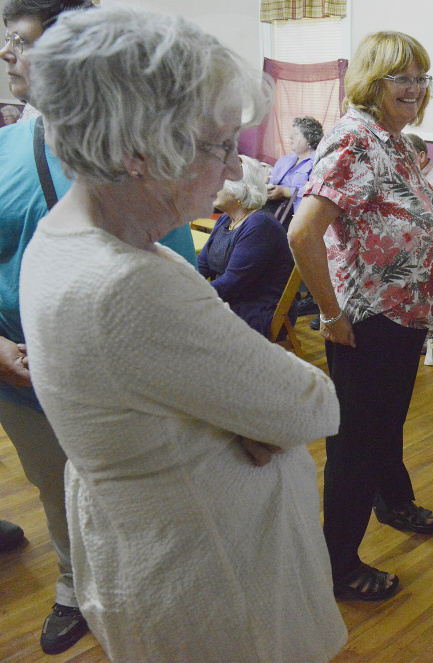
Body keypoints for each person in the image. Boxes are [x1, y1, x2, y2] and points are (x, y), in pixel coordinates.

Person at [19, 7, 347, 661]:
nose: (233, 170)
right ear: (135, 152)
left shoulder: (69, 237)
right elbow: (313, 401)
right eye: (217, 144)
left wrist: (241, 412)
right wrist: (253, 418)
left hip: (155, 545)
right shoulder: (128, 283)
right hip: (211, 578)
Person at [0, 0, 194, 653]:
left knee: (138, 495)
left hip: (123, 381)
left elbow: (181, 281)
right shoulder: (3, 150)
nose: (4, 54)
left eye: (18, 41)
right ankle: (69, 585)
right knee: (55, 490)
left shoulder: (140, 154)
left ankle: (148, 598)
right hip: (22, 376)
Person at [288, 30, 433, 601]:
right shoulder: (355, 141)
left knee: (383, 426)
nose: (413, 89)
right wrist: (331, 314)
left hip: (402, 318)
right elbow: (302, 232)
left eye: (420, 77)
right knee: (354, 445)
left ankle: (392, 501)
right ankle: (338, 566)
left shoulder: (396, 140)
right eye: (400, 78)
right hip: (366, 321)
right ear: (371, 82)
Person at [198, 155, 295, 336]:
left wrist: (192, 296)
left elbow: (232, 282)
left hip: (255, 309)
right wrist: (182, 285)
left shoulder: (259, 225)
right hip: (232, 300)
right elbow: (201, 265)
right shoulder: (226, 219)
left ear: (240, 190)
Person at [267, 115, 323, 214]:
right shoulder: (284, 160)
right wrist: (265, 182)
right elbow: (271, 181)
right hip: (271, 208)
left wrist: (285, 192)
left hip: (296, 213)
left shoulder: (318, 163)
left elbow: (318, 191)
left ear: (309, 139)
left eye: (296, 134)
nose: (291, 137)